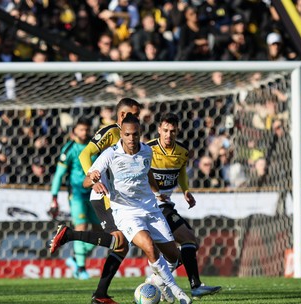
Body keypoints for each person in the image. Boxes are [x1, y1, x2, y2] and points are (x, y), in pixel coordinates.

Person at [83, 113, 191, 304]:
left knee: (174, 256)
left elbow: (147, 172)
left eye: (135, 134)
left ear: (140, 133)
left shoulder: (147, 152)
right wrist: (94, 180)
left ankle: (158, 282)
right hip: (125, 212)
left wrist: (157, 193)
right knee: (149, 246)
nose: (131, 139)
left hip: (150, 209)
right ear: (121, 134)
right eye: (127, 134)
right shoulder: (110, 154)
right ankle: (177, 290)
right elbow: (86, 180)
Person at [49, 97, 141, 304]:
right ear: (122, 115)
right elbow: (85, 154)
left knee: (121, 245)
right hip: (102, 195)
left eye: (138, 115)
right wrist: (92, 177)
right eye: (132, 114)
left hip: (116, 196)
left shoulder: (132, 136)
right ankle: (70, 238)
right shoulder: (110, 132)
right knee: (120, 241)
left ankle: (100, 294)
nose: (135, 118)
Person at [145, 113, 221, 299]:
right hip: (150, 206)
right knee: (188, 241)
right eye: (165, 130)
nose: (168, 135)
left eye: (172, 131)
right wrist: (154, 192)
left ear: (177, 131)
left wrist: (186, 190)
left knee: (185, 246)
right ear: (159, 130)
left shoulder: (183, 152)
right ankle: (192, 286)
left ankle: (159, 280)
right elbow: (140, 175)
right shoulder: (147, 149)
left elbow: (181, 173)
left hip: (165, 205)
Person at [48, 118, 101, 280]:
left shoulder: (94, 148)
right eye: (81, 130)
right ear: (74, 131)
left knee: (100, 232)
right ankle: (80, 267)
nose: (84, 133)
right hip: (77, 194)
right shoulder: (69, 149)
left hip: (95, 193)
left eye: (86, 129)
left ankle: (76, 257)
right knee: (81, 227)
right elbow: (58, 175)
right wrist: (54, 197)